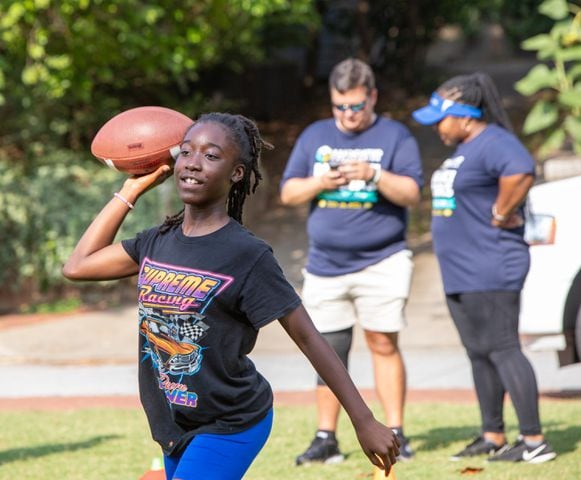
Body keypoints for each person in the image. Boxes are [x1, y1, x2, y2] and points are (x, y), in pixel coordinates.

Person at [63, 112, 400, 479]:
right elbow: (78, 265)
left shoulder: (246, 255)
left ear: (236, 172)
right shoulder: (157, 241)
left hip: (231, 421)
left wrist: (363, 420)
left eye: (211, 156)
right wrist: (130, 190)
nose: (193, 163)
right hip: (175, 423)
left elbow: (308, 337)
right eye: (186, 152)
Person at [280, 58, 423, 465]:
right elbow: (288, 193)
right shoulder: (314, 136)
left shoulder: (395, 136)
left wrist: (375, 175)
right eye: (339, 106)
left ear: (372, 96)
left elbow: (412, 192)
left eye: (356, 106)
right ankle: (326, 437)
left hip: (384, 260)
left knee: (383, 342)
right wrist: (320, 182)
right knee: (327, 350)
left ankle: (396, 432)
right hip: (325, 264)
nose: (347, 115)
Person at [412, 72, 557, 464]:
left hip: (491, 264)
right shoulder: (465, 149)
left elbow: (522, 170)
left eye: (440, 119)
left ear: (464, 116)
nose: (436, 128)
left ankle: (534, 441)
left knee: (504, 348)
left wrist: (501, 210)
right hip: (462, 270)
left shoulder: (494, 142)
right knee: (478, 352)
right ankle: (492, 434)